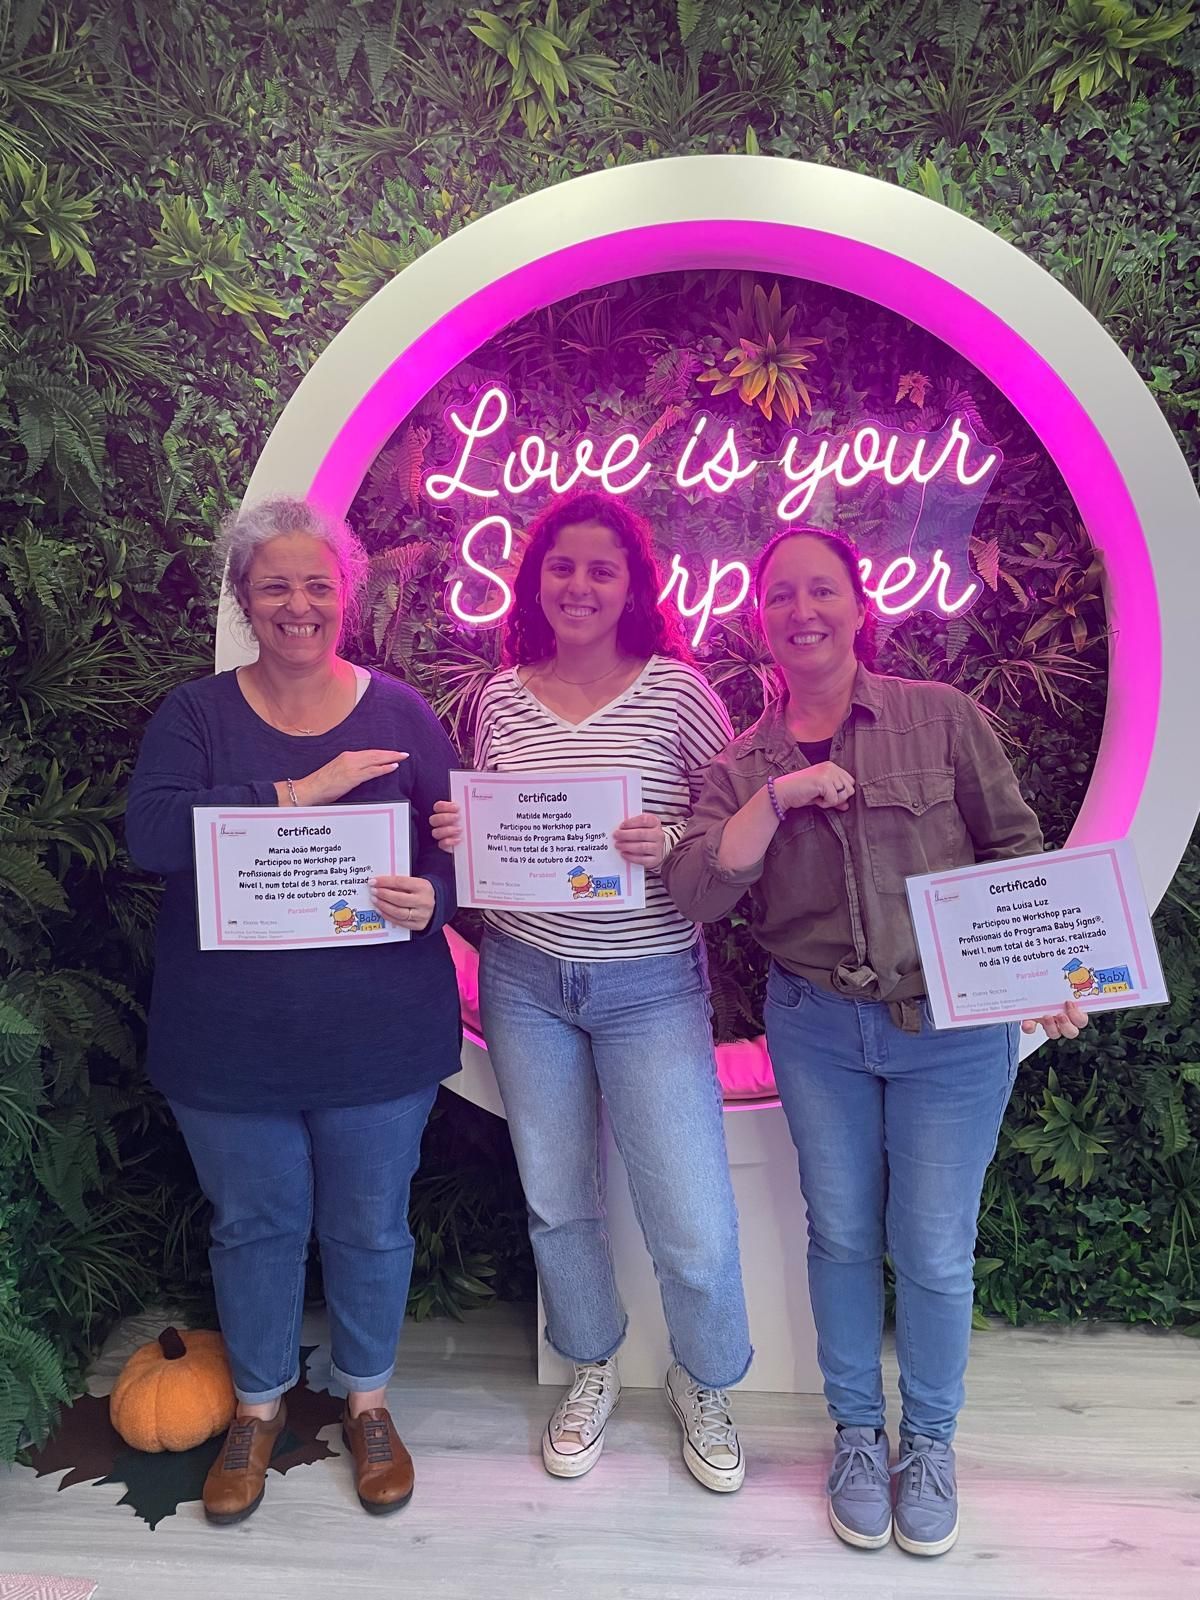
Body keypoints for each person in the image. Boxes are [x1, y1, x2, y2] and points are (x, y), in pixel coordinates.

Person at [662, 527, 1088, 1554]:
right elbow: (696, 890)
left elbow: (1014, 848)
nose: (801, 611)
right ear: (760, 620)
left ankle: (929, 1443)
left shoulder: (940, 719)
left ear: (860, 605)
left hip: (951, 1027)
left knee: (934, 1247)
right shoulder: (743, 762)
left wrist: (1046, 968)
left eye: (822, 590)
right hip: (817, 1030)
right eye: (780, 595)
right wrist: (774, 800)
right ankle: (858, 1435)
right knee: (843, 1236)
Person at [126, 497, 461, 1524]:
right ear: (244, 598)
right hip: (230, 1045)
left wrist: (435, 896)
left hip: (379, 1037)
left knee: (370, 1227)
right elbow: (151, 836)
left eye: (318, 583)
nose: (298, 604)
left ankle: (367, 1402)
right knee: (254, 1226)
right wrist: (299, 792)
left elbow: (456, 843)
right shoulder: (196, 715)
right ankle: (259, 1406)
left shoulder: (402, 714)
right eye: (274, 585)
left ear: (345, 594)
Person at [430, 489, 752, 1491]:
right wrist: (461, 836)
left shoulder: (680, 693)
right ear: (536, 581)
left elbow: (731, 823)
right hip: (525, 980)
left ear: (631, 586)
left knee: (693, 1220)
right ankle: (590, 1363)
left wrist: (673, 838)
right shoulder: (500, 698)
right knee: (558, 1200)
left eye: (601, 569)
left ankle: (706, 1380)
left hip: (651, 983)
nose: (578, 585)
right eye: (561, 566)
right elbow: (493, 834)